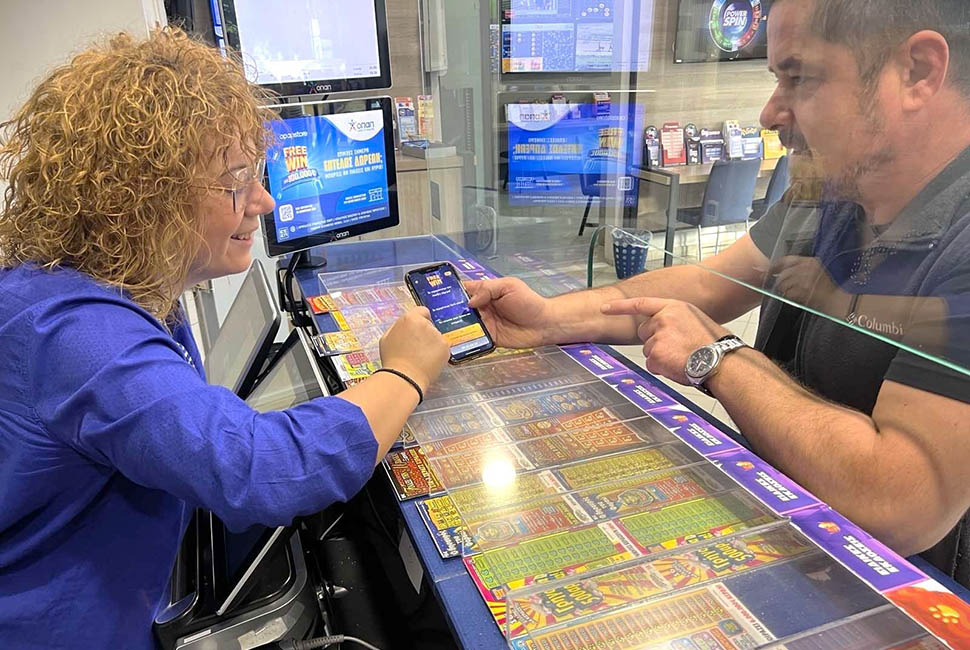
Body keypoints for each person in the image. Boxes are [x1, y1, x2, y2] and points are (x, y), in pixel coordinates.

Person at [468, 0, 970, 586]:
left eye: (800, 78)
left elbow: (901, 501)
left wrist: (721, 358)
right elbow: (709, 284)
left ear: (917, 72)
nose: (770, 112)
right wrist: (546, 319)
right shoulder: (832, 191)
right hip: (788, 536)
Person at [0, 28, 449, 648]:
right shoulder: (79, 335)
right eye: (236, 180)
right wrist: (404, 373)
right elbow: (263, 468)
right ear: (148, 197)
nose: (263, 201)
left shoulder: (114, 288)